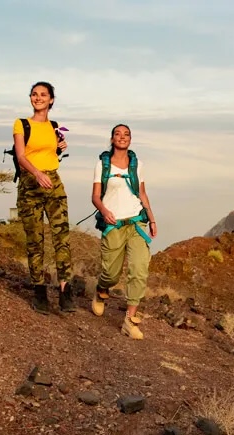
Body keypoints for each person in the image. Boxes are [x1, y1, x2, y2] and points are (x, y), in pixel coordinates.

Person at [12, 81, 76, 314]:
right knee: (35, 239)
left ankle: (65, 290)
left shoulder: (55, 126)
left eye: (43, 95)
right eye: (34, 94)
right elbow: (21, 156)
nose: (38, 98)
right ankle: (39, 291)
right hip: (31, 183)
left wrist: (60, 148)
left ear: (51, 100)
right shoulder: (22, 124)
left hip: (53, 181)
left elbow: (52, 153)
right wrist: (37, 174)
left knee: (62, 235)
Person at [90, 124, 157, 339]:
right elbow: (95, 196)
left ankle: (129, 321)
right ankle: (101, 290)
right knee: (111, 272)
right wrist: (104, 211)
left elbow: (143, 194)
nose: (122, 137)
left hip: (137, 222)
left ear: (130, 139)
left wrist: (152, 218)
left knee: (139, 269)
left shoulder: (138, 165)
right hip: (113, 224)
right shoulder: (103, 165)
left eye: (126, 134)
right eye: (118, 134)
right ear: (112, 139)